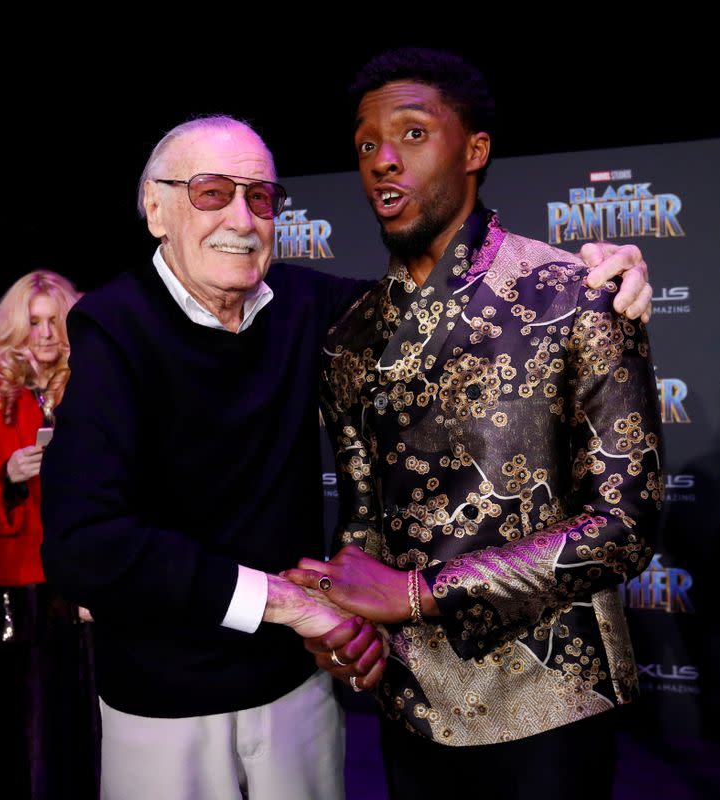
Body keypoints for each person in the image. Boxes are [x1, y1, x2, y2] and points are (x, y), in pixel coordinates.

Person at [39, 114, 652, 800]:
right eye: (212, 192)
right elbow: (82, 546)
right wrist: (290, 606)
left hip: (295, 689)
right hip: (165, 696)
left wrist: (588, 274)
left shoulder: (309, 306)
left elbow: (458, 301)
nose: (242, 217)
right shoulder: (113, 326)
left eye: (261, 196)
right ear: (156, 208)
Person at [285, 48, 664, 800]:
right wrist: (347, 616)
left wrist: (419, 594)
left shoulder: (577, 293)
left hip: (551, 700)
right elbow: (363, 522)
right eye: (366, 145)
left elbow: (624, 526)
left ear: (475, 150)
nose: (383, 161)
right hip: (410, 705)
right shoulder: (350, 334)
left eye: (413, 134)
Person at [0, 270, 99, 800]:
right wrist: (7, 475)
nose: (44, 334)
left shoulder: (93, 381)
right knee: (24, 722)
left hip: (83, 581)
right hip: (16, 582)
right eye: (34, 322)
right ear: (15, 328)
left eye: (55, 322)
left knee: (85, 717)